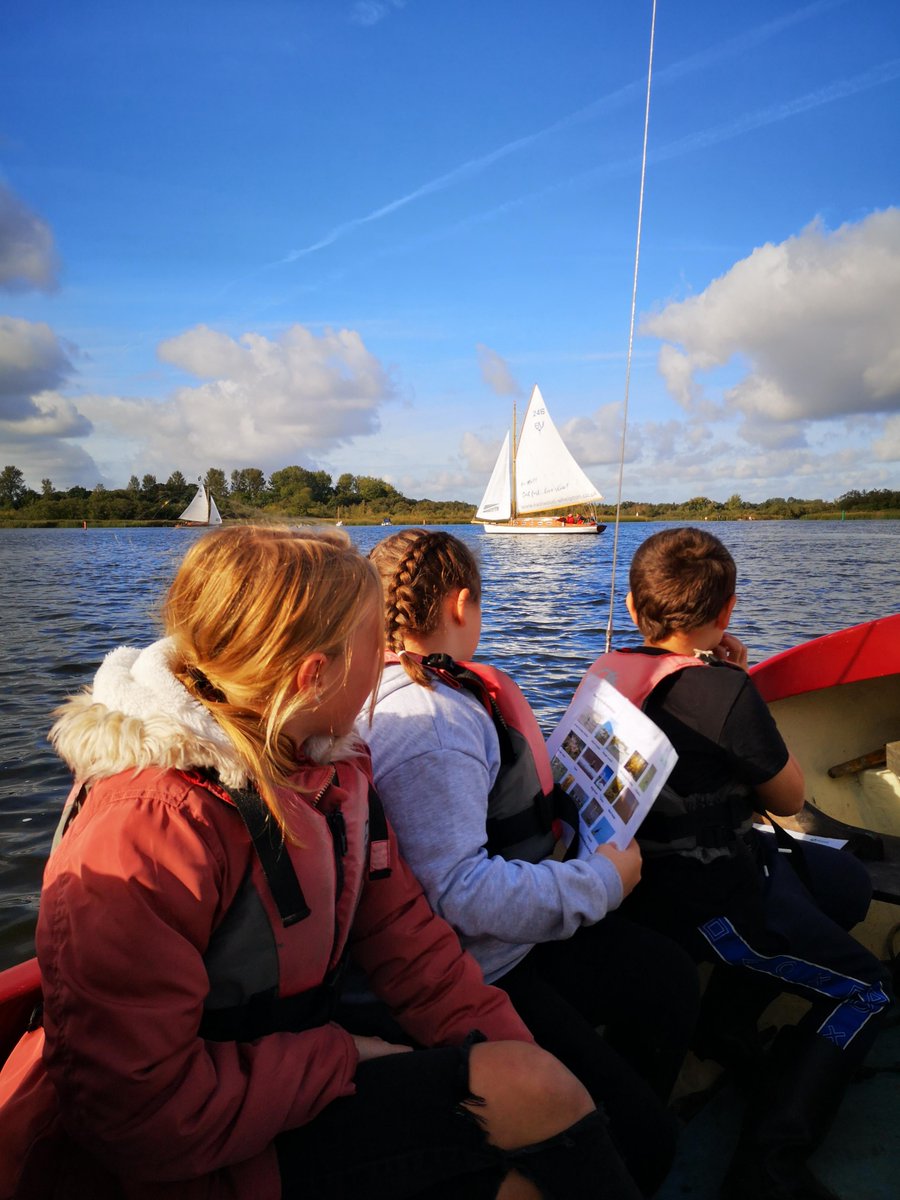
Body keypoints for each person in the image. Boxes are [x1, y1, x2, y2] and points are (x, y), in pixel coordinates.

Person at [9, 526, 638, 1200]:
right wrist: (342, 1057)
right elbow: (137, 1113)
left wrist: (510, 1052)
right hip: (192, 1159)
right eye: (378, 647)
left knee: (541, 1094)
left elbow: (411, 945)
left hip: (282, 1085)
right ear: (315, 675)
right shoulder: (148, 828)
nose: (388, 663)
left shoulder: (329, 767)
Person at [360, 528, 701, 1198]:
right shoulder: (432, 722)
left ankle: (628, 1104)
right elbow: (464, 892)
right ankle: (616, 1138)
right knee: (645, 1142)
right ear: (462, 606)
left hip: (505, 945)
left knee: (667, 980)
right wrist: (605, 880)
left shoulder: (398, 694)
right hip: (479, 967)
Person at [575, 526, 893, 1200]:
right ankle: (767, 1167)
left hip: (647, 885)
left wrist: (727, 684)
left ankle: (726, 1029)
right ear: (727, 612)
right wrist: (733, 685)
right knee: (866, 991)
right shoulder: (726, 693)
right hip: (713, 902)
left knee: (842, 885)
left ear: (634, 611)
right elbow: (792, 794)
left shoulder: (606, 672)